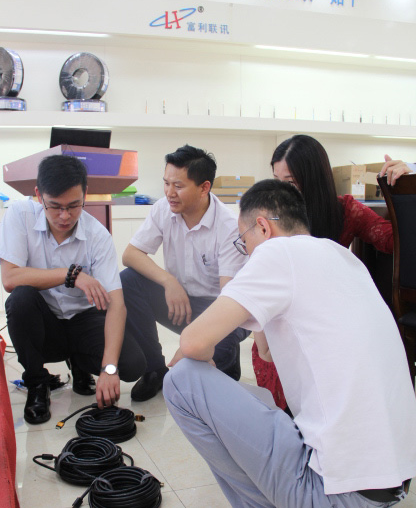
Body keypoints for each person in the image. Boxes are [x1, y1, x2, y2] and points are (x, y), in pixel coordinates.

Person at [164, 179, 416, 508]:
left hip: (337, 492)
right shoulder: (343, 257)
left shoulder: (277, 253)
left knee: (181, 379)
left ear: (263, 227)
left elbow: (192, 342)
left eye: (243, 241)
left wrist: (203, 353)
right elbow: (266, 353)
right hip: (389, 484)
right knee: (262, 399)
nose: (246, 253)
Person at [0, 155, 145, 424]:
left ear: (85, 194)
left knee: (131, 365)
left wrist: (108, 369)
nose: (64, 216)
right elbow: (10, 278)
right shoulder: (20, 215)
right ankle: (37, 383)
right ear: (39, 196)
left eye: (74, 205)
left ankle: (80, 363)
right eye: (55, 206)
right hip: (44, 322)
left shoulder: (97, 235)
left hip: (83, 319)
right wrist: (71, 275)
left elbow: (117, 304)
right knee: (20, 299)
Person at [253, 134, 395, 411]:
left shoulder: (344, 210)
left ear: (313, 179)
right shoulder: (270, 214)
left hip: (329, 324)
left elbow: (391, 240)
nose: (281, 193)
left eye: (290, 183)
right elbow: (256, 276)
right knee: (283, 407)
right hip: (282, 319)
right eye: (276, 181)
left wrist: (403, 189)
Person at [120, 144, 249, 402]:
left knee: (210, 382)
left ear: (204, 187)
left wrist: (189, 347)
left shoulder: (228, 226)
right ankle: (154, 370)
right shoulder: (163, 209)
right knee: (128, 280)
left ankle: (224, 359)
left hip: (224, 309)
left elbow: (229, 298)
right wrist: (169, 282)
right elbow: (130, 255)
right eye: (166, 183)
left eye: (178, 186)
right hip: (181, 303)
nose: (169, 193)